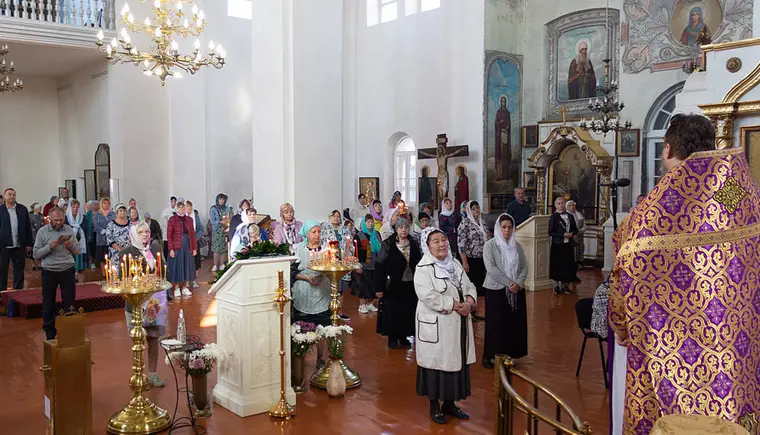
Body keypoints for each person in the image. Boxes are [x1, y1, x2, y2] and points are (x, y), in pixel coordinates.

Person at [609, 114, 760, 433]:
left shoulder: (651, 213)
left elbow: (624, 277)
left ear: (667, 150)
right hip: (735, 348)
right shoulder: (742, 198)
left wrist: (620, 324)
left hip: (670, 357)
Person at [414, 227, 477, 425]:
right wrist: (454, 305)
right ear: (427, 246)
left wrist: (469, 302)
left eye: (443, 240)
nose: (442, 244)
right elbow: (428, 296)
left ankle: (450, 404)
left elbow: (469, 285)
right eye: (436, 241)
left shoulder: (455, 264)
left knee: (456, 362)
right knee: (436, 365)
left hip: (458, 324)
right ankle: (434, 406)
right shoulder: (423, 268)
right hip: (438, 325)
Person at [119, 222, 167, 388]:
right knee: (137, 342)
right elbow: (122, 280)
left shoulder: (156, 249)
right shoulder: (127, 253)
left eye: (147, 231)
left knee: (153, 339)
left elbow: (163, 271)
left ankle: (153, 374)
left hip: (154, 304)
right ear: (134, 234)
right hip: (136, 305)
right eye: (141, 232)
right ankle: (138, 375)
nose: (145, 234)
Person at [482, 213, 528, 368]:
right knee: (495, 324)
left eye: (510, 227)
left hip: (516, 290)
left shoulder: (517, 246)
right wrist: (510, 283)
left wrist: (519, 283)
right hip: (497, 290)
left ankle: (509, 353)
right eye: (503, 227)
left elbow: (524, 267)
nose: (507, 230)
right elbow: (492, 269)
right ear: (498, 228)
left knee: (512, 323)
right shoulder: (490, 245)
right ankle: (489, 355)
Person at [290, 221, 331, 370]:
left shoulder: (327, 249)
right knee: (302, 328)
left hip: (322, 292)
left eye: (319, 232)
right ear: (306, 234)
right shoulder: (298, 249)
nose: (317, 235)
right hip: (303, 292)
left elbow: (331, 267)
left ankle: (320, 357)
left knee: (322, 326)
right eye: (313, 232)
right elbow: (292, 272)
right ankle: (300, 357)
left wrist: (322, 275)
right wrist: (307, 278)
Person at [375, 218, 421, 349]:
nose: (404, 230)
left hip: (410, 283)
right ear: (396, 229)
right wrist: (379, 287)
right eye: (401, 228)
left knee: (407, 310)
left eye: (406, 227)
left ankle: (403, 335)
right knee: (393, 311)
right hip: (393, 284)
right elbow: (379, 265)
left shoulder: (413, 243)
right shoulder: (388, 244)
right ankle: (393, 337)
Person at [33, 207, 79, 340]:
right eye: (56, 220)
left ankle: (69, 330)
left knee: (69, 303)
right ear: (50, 218)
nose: (59, 223)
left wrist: (70, 245)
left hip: (67, 269)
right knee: (48, 302)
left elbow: (77, 251)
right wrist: (49, 247)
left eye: (61, 220)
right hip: (49, 270)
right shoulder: (42, 232)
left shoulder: (69, 229)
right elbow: (36, 254)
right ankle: (50, 332)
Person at [457, 200, 488, 321]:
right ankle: (468, 310)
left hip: (481, 259)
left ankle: (474, 310)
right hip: (470, 259)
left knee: (478, 285)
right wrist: (464, 262)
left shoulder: (482, 222)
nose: (476, 210)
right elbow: (461, 244)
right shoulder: (465, 223)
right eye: (473, 208)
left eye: (477, 208)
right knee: (470, 285)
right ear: (469, 210)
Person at [0, 188, 33, 291]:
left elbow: (28, 227)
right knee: (2, 270)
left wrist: (28, 244)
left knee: (19, 270)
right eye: (9, 194)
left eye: (14, 195)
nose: (12, 197)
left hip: (19, 245)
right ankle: (2, 292)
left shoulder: (22, 209)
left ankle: (18, 291)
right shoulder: (0, 210)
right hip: (3, 246)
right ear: (4, 196)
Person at [548, 196, 579, 295]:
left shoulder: (570, 216)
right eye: (559, 203)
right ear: (556, 205)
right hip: (558, 245)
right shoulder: (554, 217)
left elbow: (575, 229)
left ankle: (566, 286)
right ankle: (557, 286)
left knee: (568, 265)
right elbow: (550, 231)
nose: (561, 205)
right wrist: (563, 235)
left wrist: (572, 234)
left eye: (562, 203)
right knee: (557, 265)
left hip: (568, 244)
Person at [167, 200, 197, 298]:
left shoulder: (189, 219)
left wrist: (194, 248)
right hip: (177, 247)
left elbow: (192, 234)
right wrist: (171, 249)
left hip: (187, 246)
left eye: (183, 207)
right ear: (177, 208)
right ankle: (176, 287)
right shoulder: (172, 219)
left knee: (187, 266)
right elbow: (169, 235)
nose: (182, 209)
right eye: (180, 207)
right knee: (176, 267)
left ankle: (185, 287)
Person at [354, 214, 380, 314]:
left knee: (373, 284)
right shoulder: (359, 235)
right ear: (364, 224)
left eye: (372, 221)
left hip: (375, 263)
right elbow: (355, 252)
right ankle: (362, 305)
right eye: (368, 222)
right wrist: (358, 265)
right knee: (363, 285)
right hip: (364, 263)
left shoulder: (376, 233)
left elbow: (380, 248)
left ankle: (370, 304)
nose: (370, 224)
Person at [65, 199, 89, 281]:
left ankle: (81, 283)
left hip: (81, 242)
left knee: (81, 266)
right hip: (70, 243)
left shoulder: (83, 218)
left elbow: (86, 230)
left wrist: (79, 229)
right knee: (71, 266)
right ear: (70, 208)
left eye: (77, 207)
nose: (75, 209)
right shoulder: (66, 218)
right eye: (73, 207)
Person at [209, 193, 231, 272]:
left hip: (225, 231)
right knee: (216, 249)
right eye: (220, 199)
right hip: (216, 231)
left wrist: (227, 222)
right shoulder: (213, 209)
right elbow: (212, 221)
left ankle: (222, 264)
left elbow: (230, 218)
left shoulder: (227, 209)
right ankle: (215, 264)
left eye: (223, 199)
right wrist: (220, 222)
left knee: (223, 249)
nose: (221, 201)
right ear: (217, 199)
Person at [186, 201, 204, 288]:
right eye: (187, 206)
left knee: (195, 262)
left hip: (195, 242)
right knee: (187, 262)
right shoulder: (182, 218)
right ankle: (186, 281)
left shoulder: (195, 217)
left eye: (190, 206)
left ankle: (194, 280)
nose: (189, 208)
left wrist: (196, 238)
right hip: (186, 243)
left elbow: (201, 228)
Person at [93, 197, 114, 271]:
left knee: (110, 256)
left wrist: (110, 231)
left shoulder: (113, 214)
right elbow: (95, 224)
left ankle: (111, 272)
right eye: (104, 203)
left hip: (111, 237)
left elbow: (115, 223)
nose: (106, 205)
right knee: (102, 257)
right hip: (101, 238)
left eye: (108, 203)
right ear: (101, 204)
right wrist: (103, 230)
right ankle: (103, 274)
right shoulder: (97, 214)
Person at [566, 200, 586, 268]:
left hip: (579, 235)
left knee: (580, 249)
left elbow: (584, 226)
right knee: (573, 251)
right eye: (570, 205)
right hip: (571, 236)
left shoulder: (579, 214)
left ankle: (579, 263)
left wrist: (580, 231)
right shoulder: (566, 215)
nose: (572, 207)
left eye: (573, 205)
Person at [29, 203, 45, 271]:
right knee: (32, 250)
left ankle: (39, 263)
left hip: (40, 234)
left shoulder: (41, 216)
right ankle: (33, 264)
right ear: (35, 209)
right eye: (39, 208)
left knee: (40, 249)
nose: (41, 209)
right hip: (33, 234)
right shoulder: (30, 216)